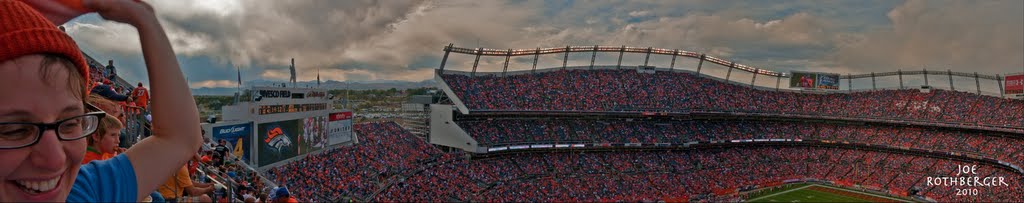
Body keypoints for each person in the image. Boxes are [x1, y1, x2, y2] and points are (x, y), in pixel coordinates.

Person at [0, 0, 202, 202]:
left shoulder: (82, 189)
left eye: (70, 124)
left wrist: (145, 19)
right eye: (15, 130)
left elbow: (181, 138)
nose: (55, 160)